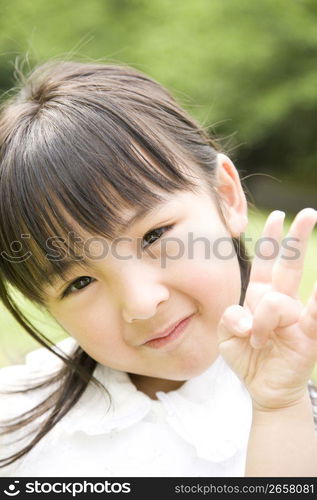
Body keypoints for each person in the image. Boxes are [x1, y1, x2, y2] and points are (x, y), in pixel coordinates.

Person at [0, 60, 316, 478]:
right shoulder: (15, 436)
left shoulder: (294, 410)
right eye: (79, 282)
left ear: (226, 196)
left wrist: (280, 407)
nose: (142, 303)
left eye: (153, 236)